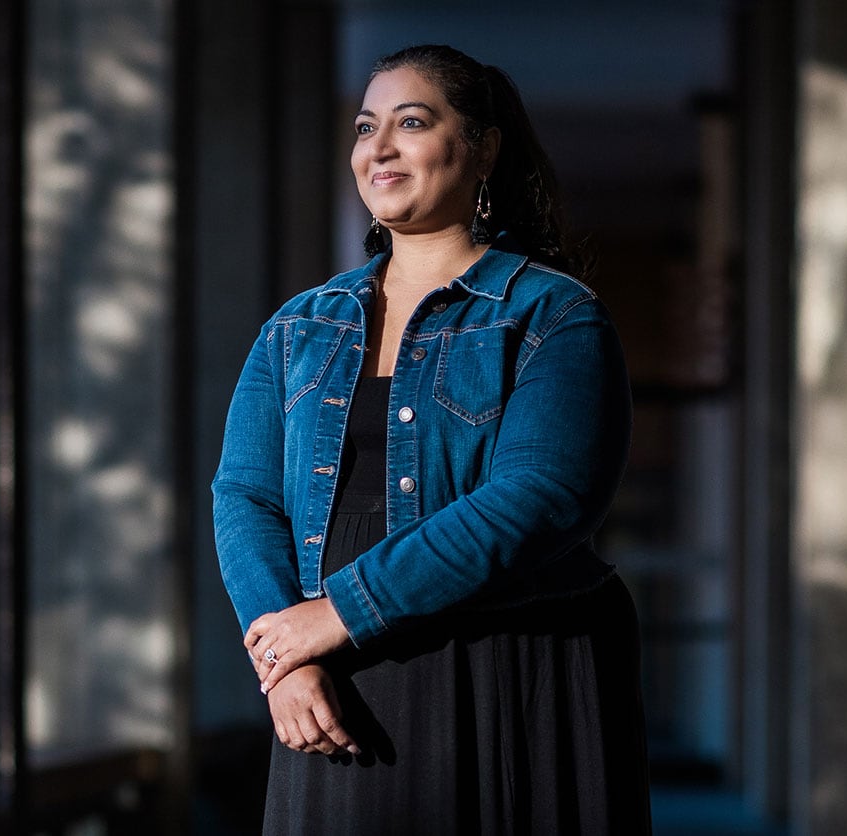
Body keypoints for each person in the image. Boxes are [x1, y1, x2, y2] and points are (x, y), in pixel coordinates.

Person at [213, 44, 651, 834]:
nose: (378, 148)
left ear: (482, 148)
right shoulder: (297, 327)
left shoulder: (554, 314)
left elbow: (542, 496)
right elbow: (244, 495)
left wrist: (339, 612)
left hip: (506, 658)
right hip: (331, 669)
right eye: (364, 127)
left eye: (411, 123)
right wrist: (287, 660)